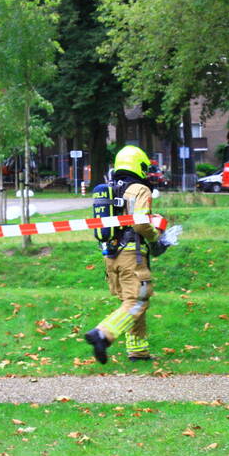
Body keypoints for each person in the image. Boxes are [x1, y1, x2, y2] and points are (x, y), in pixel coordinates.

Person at [84, 145, 161, 364]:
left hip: (111, 256)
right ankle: (102, 334)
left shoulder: (110, 189)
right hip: (132, 256)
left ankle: (138, 352)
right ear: (138, 166)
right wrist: (156, 236)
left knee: (131, 302)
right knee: (137, 301)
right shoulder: (139, 189)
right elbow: (140, 223)